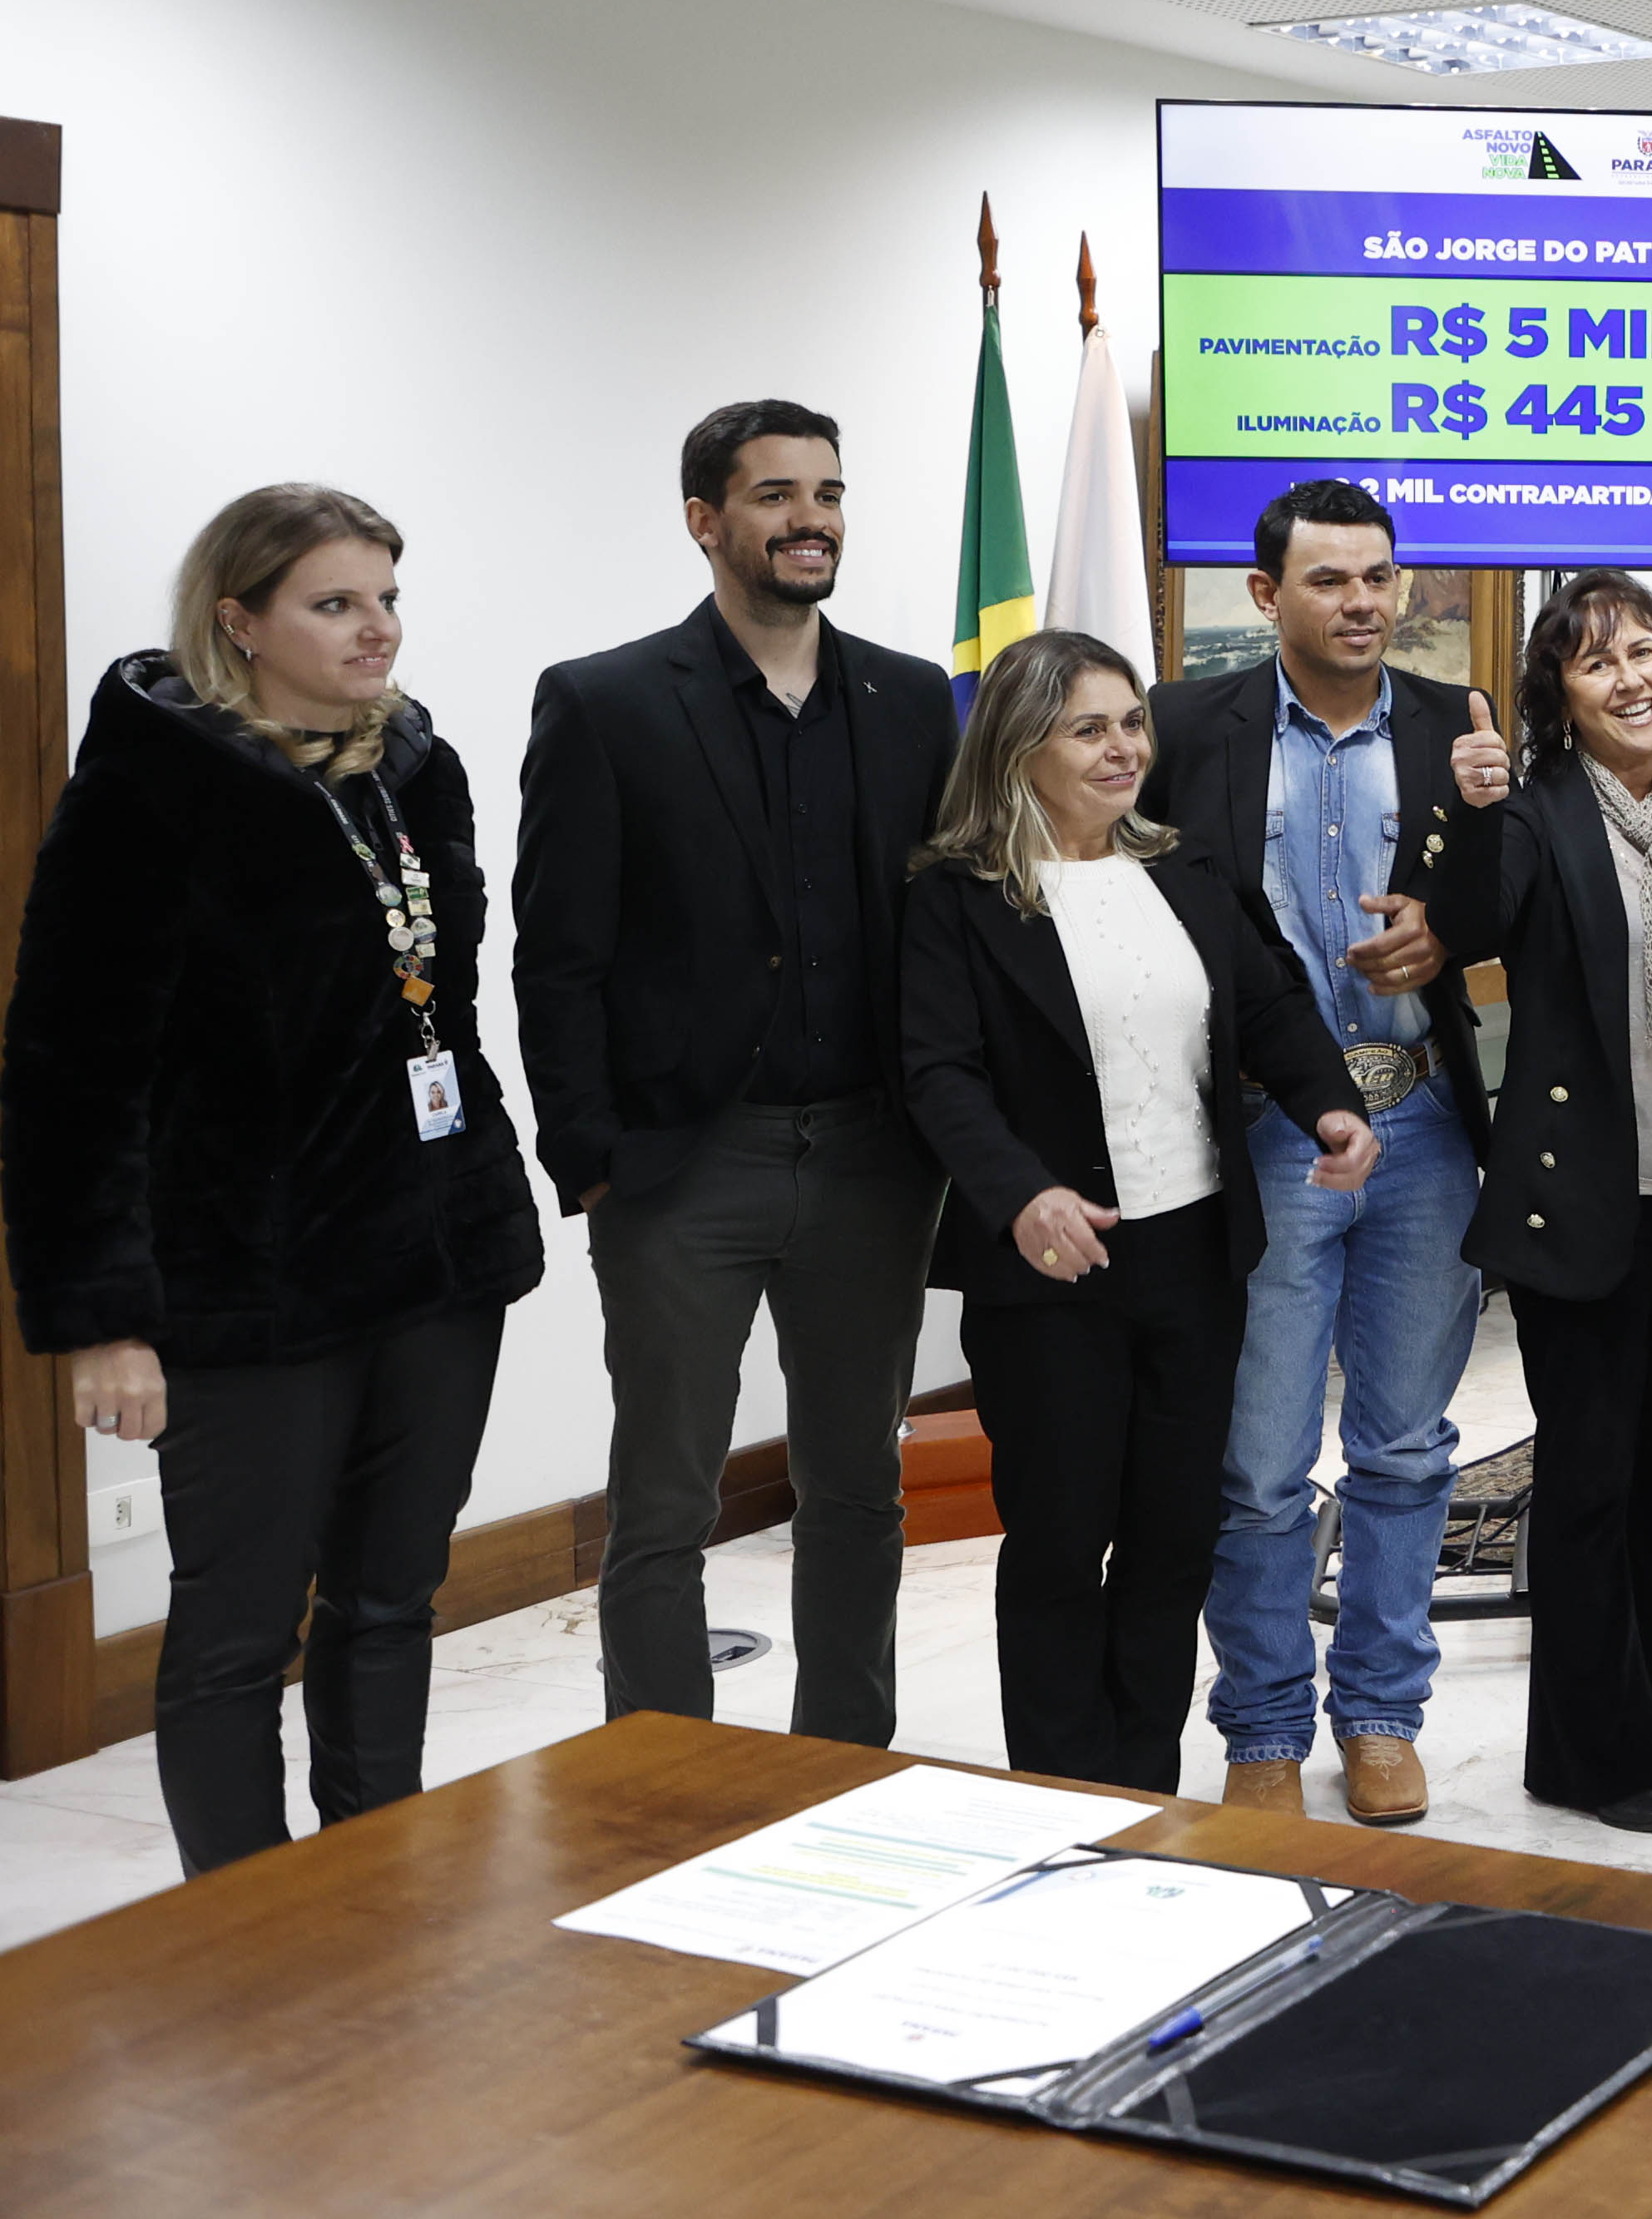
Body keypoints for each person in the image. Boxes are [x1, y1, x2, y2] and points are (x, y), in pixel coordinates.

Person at [3, 487, 542, 1873]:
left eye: (387, 598)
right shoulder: (152, 791)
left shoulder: (414, 767)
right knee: (238, 1634)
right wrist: (103, 1322)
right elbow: (70, 1074)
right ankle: (243, 1934)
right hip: (246, 1282)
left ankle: (374, 1891)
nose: (378, 629)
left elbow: (441, 1014)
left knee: (392, 1601)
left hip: (432, 1261)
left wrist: (485, 1192)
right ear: (238, 621)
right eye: (335, 603)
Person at [512, 402, 954, 1743]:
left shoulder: (909, 699)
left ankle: (843, 1764)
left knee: (858, 1488)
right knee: (665, 1501)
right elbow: (558, 955)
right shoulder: (606, 702)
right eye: (775, 495)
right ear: (706, 521)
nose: (810, 518)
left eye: (829, 492)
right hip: (684, 1166)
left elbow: (947, 923)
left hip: (873, 1160)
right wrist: (589, 1158)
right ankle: (664, 1786)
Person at [898, 630, 1377, 1796]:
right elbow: (938, 1073)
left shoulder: (1185, 866)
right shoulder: (955, 897)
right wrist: (1021, 1192)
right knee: (1063, 1544)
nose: (1124, 750)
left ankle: (1146, 1790)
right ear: (1019, 748)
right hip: (1051, 1271)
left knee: (1172, 1540)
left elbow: (1271, 1007)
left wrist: (1331, 1107)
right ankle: (1066, 1798)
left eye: (1131, 724)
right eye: (1088, 729)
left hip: (1193, 1255)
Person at [1135, 479, 1511, 1828]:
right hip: (1268, 1137)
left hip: (1424, 1129)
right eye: (1329, 580)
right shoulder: (1187, 727)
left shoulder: (1457, 723)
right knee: (1259, 1466)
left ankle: (1382, 1716)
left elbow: (1513, 894)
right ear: (1266, 594)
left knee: (1406, 1450)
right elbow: (1136, 900)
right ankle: (1264, 1727)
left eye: (1378, 578)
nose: (1362, 603)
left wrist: (1451, 934)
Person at [1465, 571, 1652, 1832]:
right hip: (1582, 1205)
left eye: (1645, 652)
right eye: (1596, 663)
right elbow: (1471, 920)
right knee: (1590, 1479)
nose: (1630, 679)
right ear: (1561, 698)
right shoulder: (1534, 817)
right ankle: (1594, 1756)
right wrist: (1470, 809)